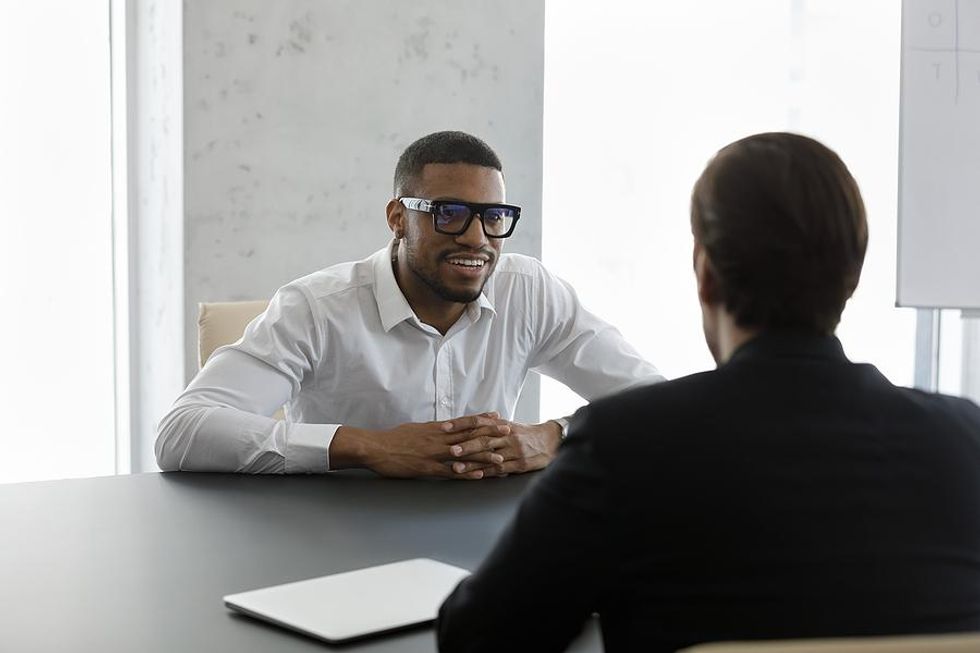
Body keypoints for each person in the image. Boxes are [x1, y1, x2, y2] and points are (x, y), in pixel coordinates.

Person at [437, 132, 980, 651]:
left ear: (705, 273)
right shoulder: (965, 439)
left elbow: (480, 638)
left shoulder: (629, 445)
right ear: (853, 275)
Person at [155, 130, 663, 478]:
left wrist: (557, 437)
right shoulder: (316, 307)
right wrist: (370, 447)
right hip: (334, 540)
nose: (476, 238)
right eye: (451, 214)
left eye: (494, 217)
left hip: (480, 539)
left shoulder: (529, 291)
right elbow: (183, 432)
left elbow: (657, 405)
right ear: (398, 218)